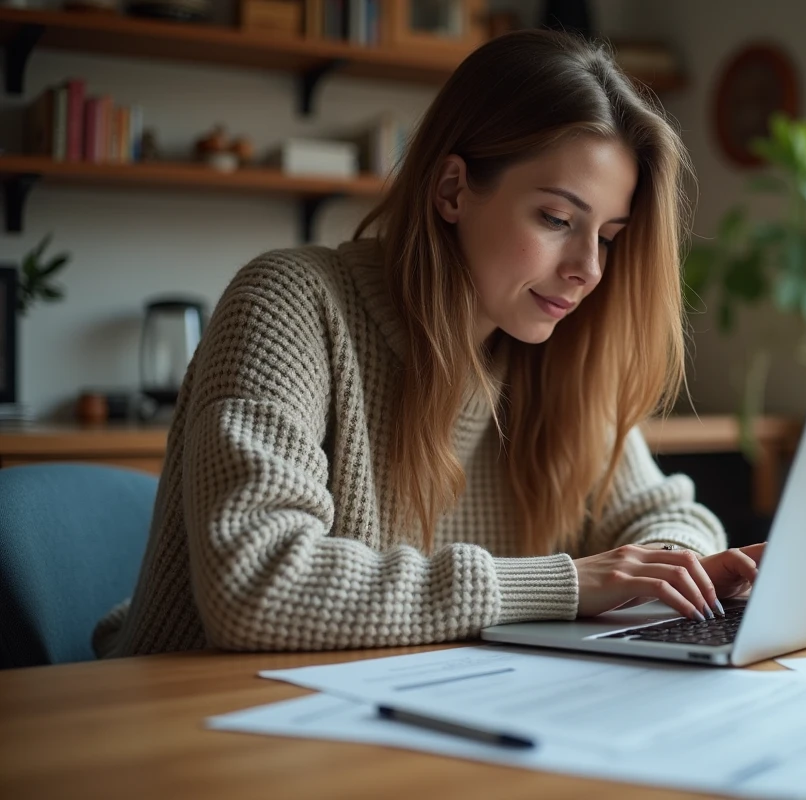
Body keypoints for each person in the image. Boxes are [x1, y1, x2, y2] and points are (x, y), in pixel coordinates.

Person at [93, 29, 764, 658]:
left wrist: (668, 568)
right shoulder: (291, 303)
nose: (588, 268)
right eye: (557, 218)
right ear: (452, 190)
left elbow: (665, 515)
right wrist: (563, 585)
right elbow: (255, 582)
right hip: (195, 713)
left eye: (609, 237)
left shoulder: (557, 356)